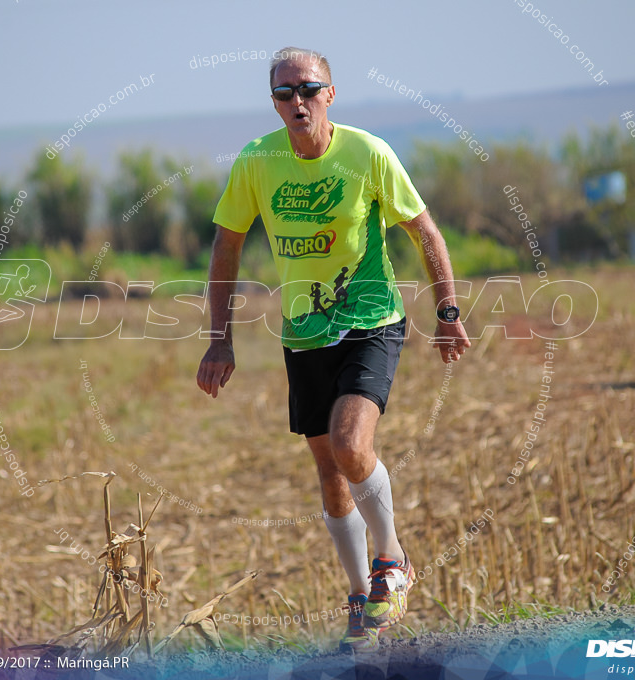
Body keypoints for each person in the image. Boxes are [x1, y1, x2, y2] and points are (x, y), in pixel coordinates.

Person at [196, 46, 470, 651]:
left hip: (371, 319)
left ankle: (393, 559)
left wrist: (447, 312)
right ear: (273, 102)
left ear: (331, 94)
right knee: (328, 472)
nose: (297, 101)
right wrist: (220, 338)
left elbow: (423, 230)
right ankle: (360, 596)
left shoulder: (367, 153)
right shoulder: (256, 162)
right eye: (284, 93)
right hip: (303, 332)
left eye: (308, 89)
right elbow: (227, 245)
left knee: (350, 445)